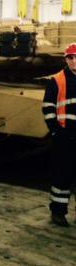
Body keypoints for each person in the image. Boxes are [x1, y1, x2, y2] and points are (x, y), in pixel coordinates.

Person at [42, 42, 76, 227]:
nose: (74, 61)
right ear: (66, 60)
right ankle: (58, 212)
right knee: (62, 176)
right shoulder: (57, 80)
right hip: (65, 136)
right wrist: (55, 130)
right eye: (70, 58)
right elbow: (48, 107)